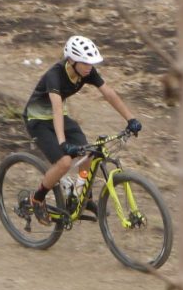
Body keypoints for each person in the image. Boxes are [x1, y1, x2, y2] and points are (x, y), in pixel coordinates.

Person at [23, 35, 142, 225]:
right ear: (72, 60)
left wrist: (131, 119)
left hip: (60, 118)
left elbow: (109, 94)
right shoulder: (55, 75)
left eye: (91, 63)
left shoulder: (87, 72)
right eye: (85, 63)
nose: (89, 67)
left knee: (89, 152)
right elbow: (56, 108)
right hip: (38, 120)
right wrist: (63, 143)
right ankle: (36, 198)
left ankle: (84, 197)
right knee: (63, 163)